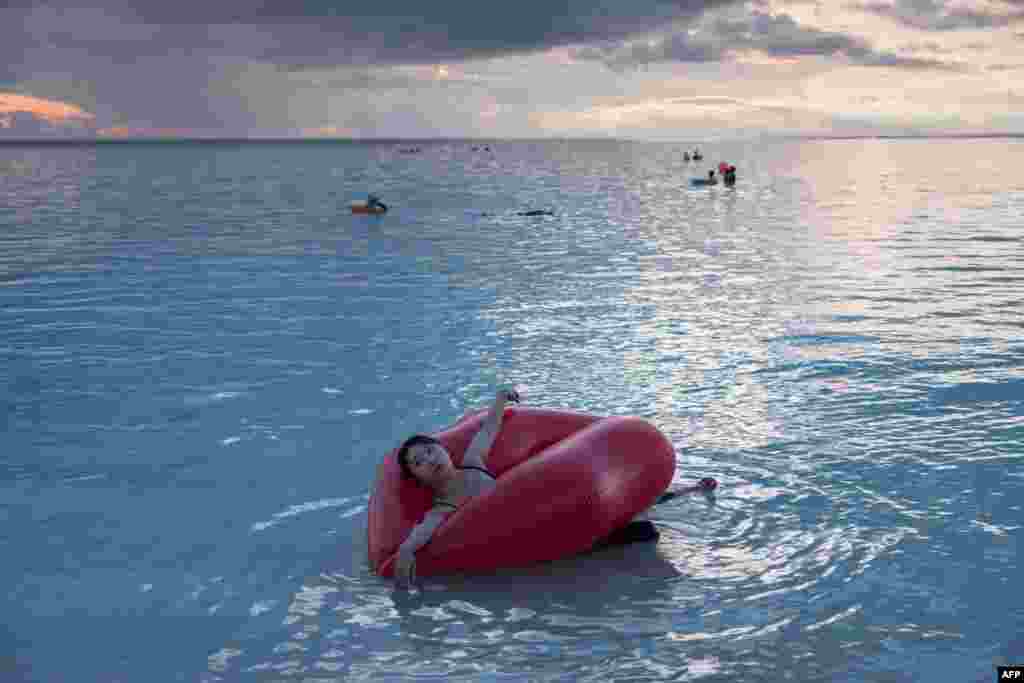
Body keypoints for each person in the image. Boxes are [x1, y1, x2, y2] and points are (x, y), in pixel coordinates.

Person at [392, 388, 677, 587]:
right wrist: (404, 561)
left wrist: (500, 399)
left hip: (553, 509)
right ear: (418, 478)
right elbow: (417, 539)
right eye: (418, 462)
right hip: (538, 535)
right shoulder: (443, 511)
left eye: (429, 451)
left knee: (637, 510)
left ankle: (669, 496)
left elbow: (487, 431)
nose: (428, 460)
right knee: (643, 533)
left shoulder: (472, 462)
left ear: (442, 449)